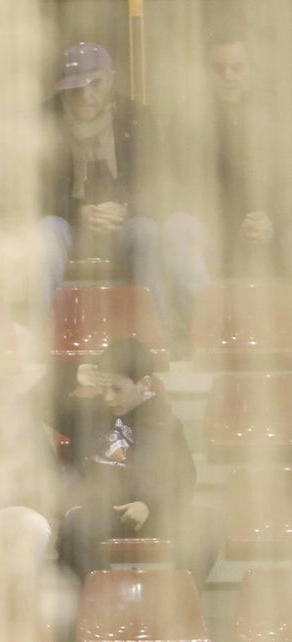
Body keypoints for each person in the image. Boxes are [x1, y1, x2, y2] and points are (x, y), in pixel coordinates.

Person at [163, 35, 292, 344]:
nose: (228, 76)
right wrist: (231, 224)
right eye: (219, 69)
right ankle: (214, 327)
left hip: (273, 225)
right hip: (215, 229)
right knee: (176, 230)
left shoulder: (279, 118)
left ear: (251, 71)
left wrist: (271, 219)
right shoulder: (187, 121)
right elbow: (182, 187)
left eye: (237, 67)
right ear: (207, 73)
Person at [54, 337, 203, 582]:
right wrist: (74, 372)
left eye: (117, 389)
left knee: (208, 526)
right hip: (100, 510)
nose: (108, 398)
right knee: (72, 529)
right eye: (104, 388)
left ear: (143, 383)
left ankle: (178, 603)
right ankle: (111, 600)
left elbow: (185, 478)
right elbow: (40, 404)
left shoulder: (166, 423)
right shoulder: (90, 414)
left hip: (148, 513)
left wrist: (150, 505)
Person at [38, 42, 166, 328]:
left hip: (123, 221)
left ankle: (158, 332)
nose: (86, 94)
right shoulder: (47, 120)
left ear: (111, 80)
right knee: (44, 234)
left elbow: (155, 181)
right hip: (68, 223)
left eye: (95, 83)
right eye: (75, 86)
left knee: (147, 232)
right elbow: (37, 191)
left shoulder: (136, 118)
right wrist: (78, 212)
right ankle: (42, 333)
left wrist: (124, 209)